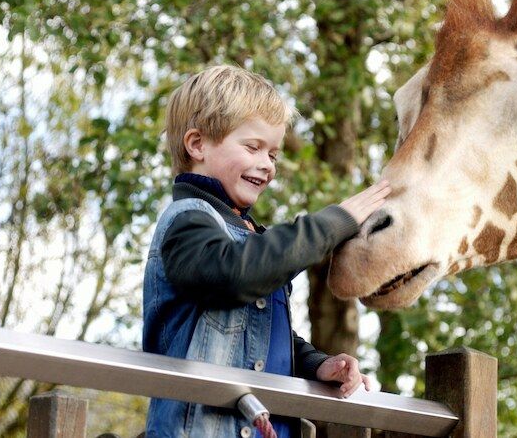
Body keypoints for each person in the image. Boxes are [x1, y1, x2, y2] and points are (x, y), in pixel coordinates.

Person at [142, 65, 391, 438]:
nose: (267, 165)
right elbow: (232, 276)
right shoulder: (188, 220)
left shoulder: (250, 236)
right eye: (253, 147)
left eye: (273, 154)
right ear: (197, 145)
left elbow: (264, 334)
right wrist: (331, 224)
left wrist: (316, 365)